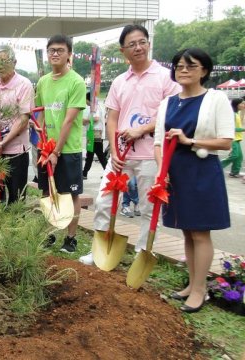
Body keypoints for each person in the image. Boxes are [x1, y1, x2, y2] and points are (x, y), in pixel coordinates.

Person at [82, 24, 181, 264]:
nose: (138, 48)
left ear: (148, 44)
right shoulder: (119, 81)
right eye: (132, 44)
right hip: (121, 154)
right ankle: (100, 250)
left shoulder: (166, 77)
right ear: (122, 50)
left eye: (142, 42)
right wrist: (114, 152)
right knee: (105, 201)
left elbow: (173, 114)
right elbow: (112, 119)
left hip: (151, 154)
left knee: (149, 207)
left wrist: (143, 129)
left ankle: (142, 253)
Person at [155, 48, 233, 312]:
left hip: (201, 170)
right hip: (174, 173)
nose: (183, 70)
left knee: (200, 232)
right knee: (187, 230)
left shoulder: (216, 98)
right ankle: (192, 283)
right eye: (178, 66)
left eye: (191, 65)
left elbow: (225, 142)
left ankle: (200, 291)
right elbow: (158, 142)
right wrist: (161, 172)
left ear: (205, 71)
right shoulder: (168, 102)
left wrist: (190, 141)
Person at [35, 35, 86, 253]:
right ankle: (50, 234)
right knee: (47, 192)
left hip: (68, 150)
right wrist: (42, 143)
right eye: (51, 50)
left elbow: (68, 119)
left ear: (69, 54)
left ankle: (71, 238)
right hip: (46, 149)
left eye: (60, 50)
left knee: (70, 194)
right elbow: (39, 115)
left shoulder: (76, 81)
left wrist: (56, 151)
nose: (55, 53)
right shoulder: (43, 82)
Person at [0, 44, 34, 210]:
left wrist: (4, 142)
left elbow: (24, 118)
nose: (0, 66)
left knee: (16, 198)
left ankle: (14, 234)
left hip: (15, 150)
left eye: (4, 61)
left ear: (15, 62)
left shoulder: (24, 84)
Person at [82, 91, 107, 179]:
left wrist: (85, 120)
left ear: (89, 100)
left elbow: (96, 118)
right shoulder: (95, 106)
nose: (85, 102)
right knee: (91, 154)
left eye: (86, 100)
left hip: (95, 133)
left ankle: (108, 172)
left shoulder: (95, 107)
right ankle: (84, 173)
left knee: (98, 155)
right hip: (92, 133)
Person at [220, 98, 244, 178]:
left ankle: (234, 173)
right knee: (234, 155)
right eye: (242, 103)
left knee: (239, 157)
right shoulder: (232, 114)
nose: (243, 105)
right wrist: (243, 129)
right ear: (237, 104)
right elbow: (231, 128)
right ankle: (218, 167)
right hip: (232, 138)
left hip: (237, 139)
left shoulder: (237, 113)